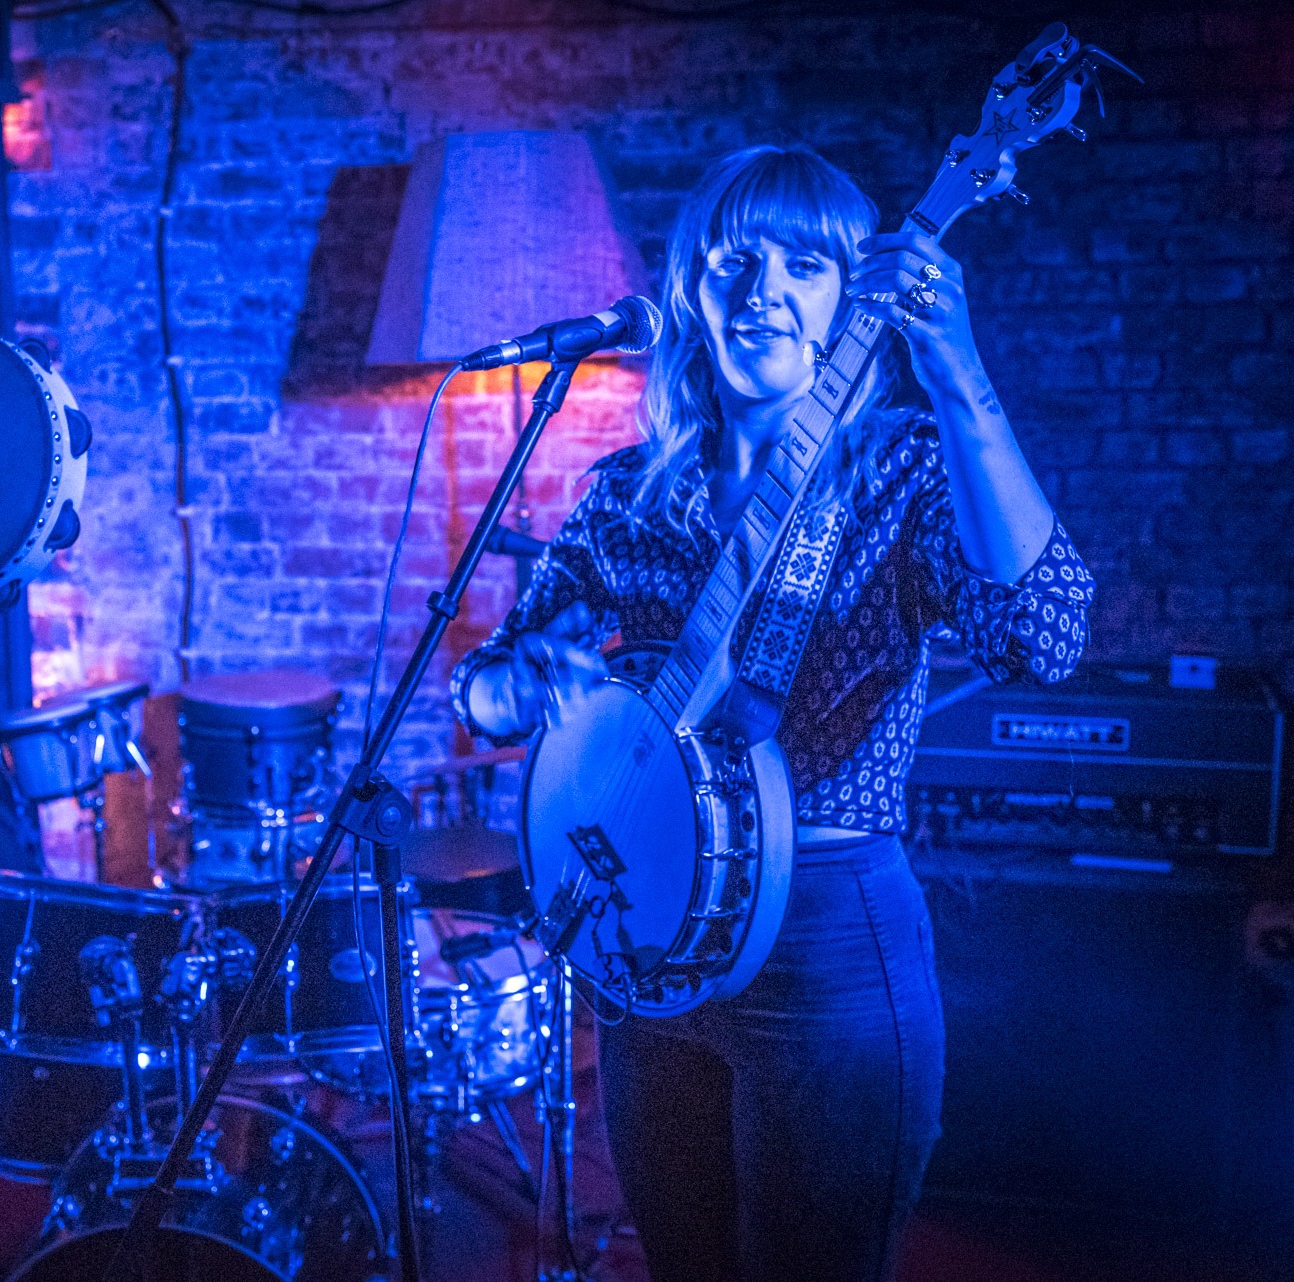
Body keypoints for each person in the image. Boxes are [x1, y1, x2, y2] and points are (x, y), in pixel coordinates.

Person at [450, 144, 1094, 1281]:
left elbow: (1041, 636)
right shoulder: (629, 492)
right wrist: (522, 681)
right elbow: (488, 691)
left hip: (829, 943)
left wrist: (956, 371)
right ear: (691, 288)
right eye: (735, 262)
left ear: (854, 295)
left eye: (805, 265)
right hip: (647, 951)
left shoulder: (902, 473)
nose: (765, 294)